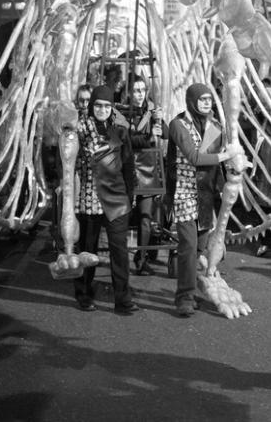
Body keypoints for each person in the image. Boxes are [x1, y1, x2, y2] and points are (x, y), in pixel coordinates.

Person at [165, 83, 237, 317]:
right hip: (184, 192)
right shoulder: (178, 124)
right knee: (187, 245)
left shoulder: (215, 126)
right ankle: (184, 297)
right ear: (192, 100)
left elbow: (220, 164)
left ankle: (193, 291)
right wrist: (227, 154)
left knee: (199, 247)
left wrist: (234, 171)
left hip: (205, 194)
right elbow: (195, 157)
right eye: (202, 99)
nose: (206, 103)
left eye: (209, 99)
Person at [72, 86, 139, 314]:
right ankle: (83, 293)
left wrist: (130, 196)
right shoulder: (79, 129)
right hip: (89, 196)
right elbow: (68, 162)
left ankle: (123, 299)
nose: (102, 110)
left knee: (119, 251)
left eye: (107, 106)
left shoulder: (120, 129)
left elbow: (128, 165)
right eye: (98, 105)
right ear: (92, 106)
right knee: (87, 250)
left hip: (117, 197)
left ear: (112, 108)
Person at [118, 76, 163, 276]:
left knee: (146, 217)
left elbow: (164, 134)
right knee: (125, 217)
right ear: (128, 92)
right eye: (135, 90)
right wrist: (147, 137)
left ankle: (141, 258)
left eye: (142, 90)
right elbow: (124, 139)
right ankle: (122, 256)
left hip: (147, 168)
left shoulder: (151, 111)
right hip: (126, 168)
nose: (139, 94)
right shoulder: (119, 112)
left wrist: (160, 122)